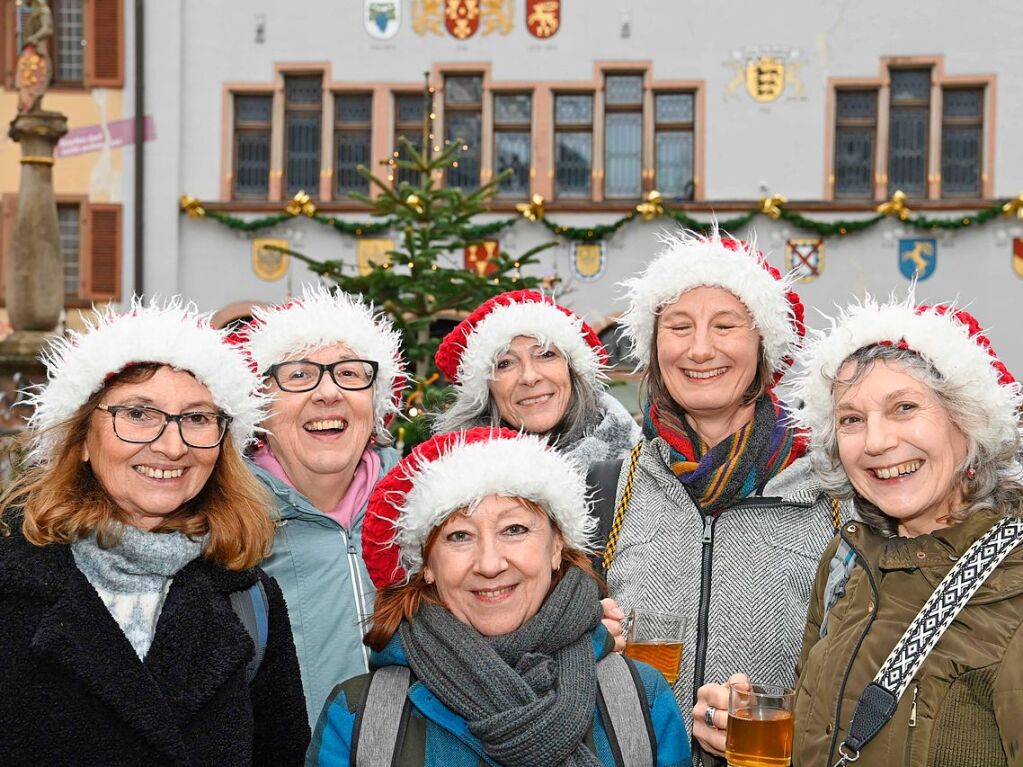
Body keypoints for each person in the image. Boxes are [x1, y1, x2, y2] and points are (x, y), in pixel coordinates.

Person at [695, 297, 1023, 766]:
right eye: (852, 419)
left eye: (904, 407)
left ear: (968, 424)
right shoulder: (847, 560)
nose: (876, 442)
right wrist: (767, 723)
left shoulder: (1012, 584)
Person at [0, 298, 309, 765]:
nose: (171, 445)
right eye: (139, 414)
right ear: (82, 438)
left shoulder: (250, 601)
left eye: (198, 418)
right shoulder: (13, 586)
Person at [309, 427, 691, 766]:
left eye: (514, 529)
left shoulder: (641, 699)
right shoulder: (360, 715)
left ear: (557, 545)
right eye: (459, 536)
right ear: (426, 564)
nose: (490, 564)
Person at [602, 228, 844, 762]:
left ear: (763, 345)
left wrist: (798, 727)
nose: (700, 349)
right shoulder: (609, 487)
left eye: (726, 325)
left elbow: (865, 666)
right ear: (654, 344)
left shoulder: (835, 492)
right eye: (679, 327)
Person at [238, 284, 407, 728]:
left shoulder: (429, 506)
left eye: (350, 374)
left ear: (376, 403)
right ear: (261, 407)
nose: (328, 392)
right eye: (298, 375)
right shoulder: (221, 523)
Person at [433, 289, 641, 468]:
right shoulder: (454, 474)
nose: (529, 377)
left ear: (573, 370)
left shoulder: (641, 465)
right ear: (486, 389)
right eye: (505, 363)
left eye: (546, 355)